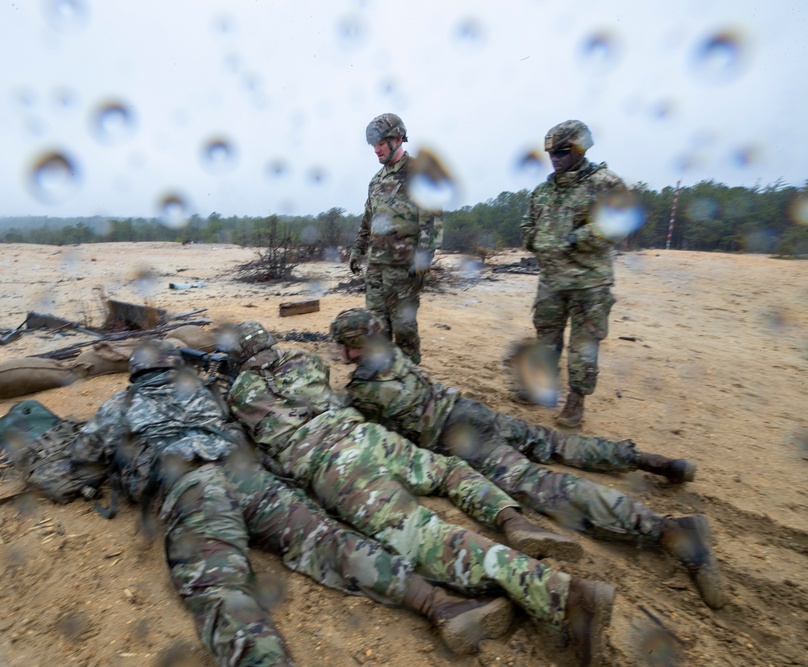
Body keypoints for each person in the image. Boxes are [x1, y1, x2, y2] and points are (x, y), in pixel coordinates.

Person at [56, 339, 522, 663]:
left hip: (192, 487)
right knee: (326, 538)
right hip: (247, 475)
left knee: (221, 589)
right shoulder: (199, 391)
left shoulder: (119, 405)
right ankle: (440, 603)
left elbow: (82, 460)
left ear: (136, 375)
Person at [222, 322, 615, 667]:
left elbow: (246, 434)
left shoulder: (240, 390)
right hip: (366, 434)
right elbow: (318, 382)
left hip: (332, 464)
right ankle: (511, 520)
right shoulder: (304, 360)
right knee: (446, 471)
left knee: (422, 536)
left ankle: (565, 595)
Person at [329, 307, 727, 610]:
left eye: (343, 345)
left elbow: (359, 426)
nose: (341, 352)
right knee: (553, 442)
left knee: (544, 486)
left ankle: (669, 530)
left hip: (464, 438)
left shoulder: (364, 388)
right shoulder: (393, 354)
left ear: (354, 345)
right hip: (471, 410)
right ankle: (650, 461)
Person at [519, 119, 629, 427]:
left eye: (562, 151)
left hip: (589, 283)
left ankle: (576, 402)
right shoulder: (543, 191)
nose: (555, 158)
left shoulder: (604, 183)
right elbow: (527, 225)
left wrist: (575, 238)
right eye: (551, 152)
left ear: (580, 149)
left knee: (583, 346)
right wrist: (534, 239)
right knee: (546, 339)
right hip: (552, 281)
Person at [349, 112, 442, 364]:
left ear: (397, 139)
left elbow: (431, 224)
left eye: (380, 144)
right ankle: (382, 382)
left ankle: (412, 383)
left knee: (404, 330)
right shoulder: (376, 180)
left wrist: (422, 262)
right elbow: (368, 218)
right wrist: (358, 250)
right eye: (373, 146)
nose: (376, 151)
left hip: (404, 270)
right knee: (376, 328)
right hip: (376, 268)